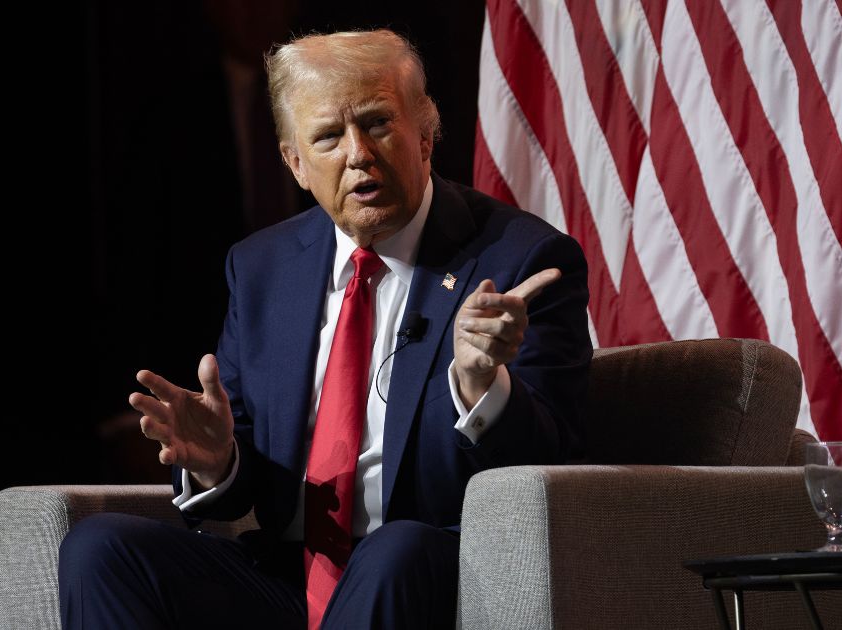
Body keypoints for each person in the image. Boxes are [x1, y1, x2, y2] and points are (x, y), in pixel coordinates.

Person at [57, 29, 591, 629]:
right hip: (289, 580)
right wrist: (218, 461)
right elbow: (245, 489)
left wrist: (478, 385)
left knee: (395, 549)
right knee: (99, 549)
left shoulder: (520, 260)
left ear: (426, 133)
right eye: (329, 137)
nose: (358, 153)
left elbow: (552, 462)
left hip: (429, 568)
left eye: (378, 123)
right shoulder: (261, 268)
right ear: (295, 163)